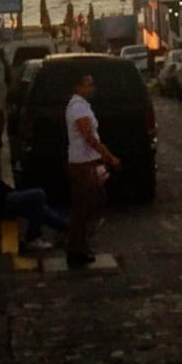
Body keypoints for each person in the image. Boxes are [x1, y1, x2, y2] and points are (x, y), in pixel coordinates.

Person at [64, 68, 120, 269]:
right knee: (83, 207)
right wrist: (109, 156)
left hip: (87, 162)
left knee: (92, 202)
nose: (91, 87)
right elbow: (89, 136)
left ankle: (80, 244)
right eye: (88, 83)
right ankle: (76, 248)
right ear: (78, 86)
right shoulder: (78, 108)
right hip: (83, 164)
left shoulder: (81, 106)